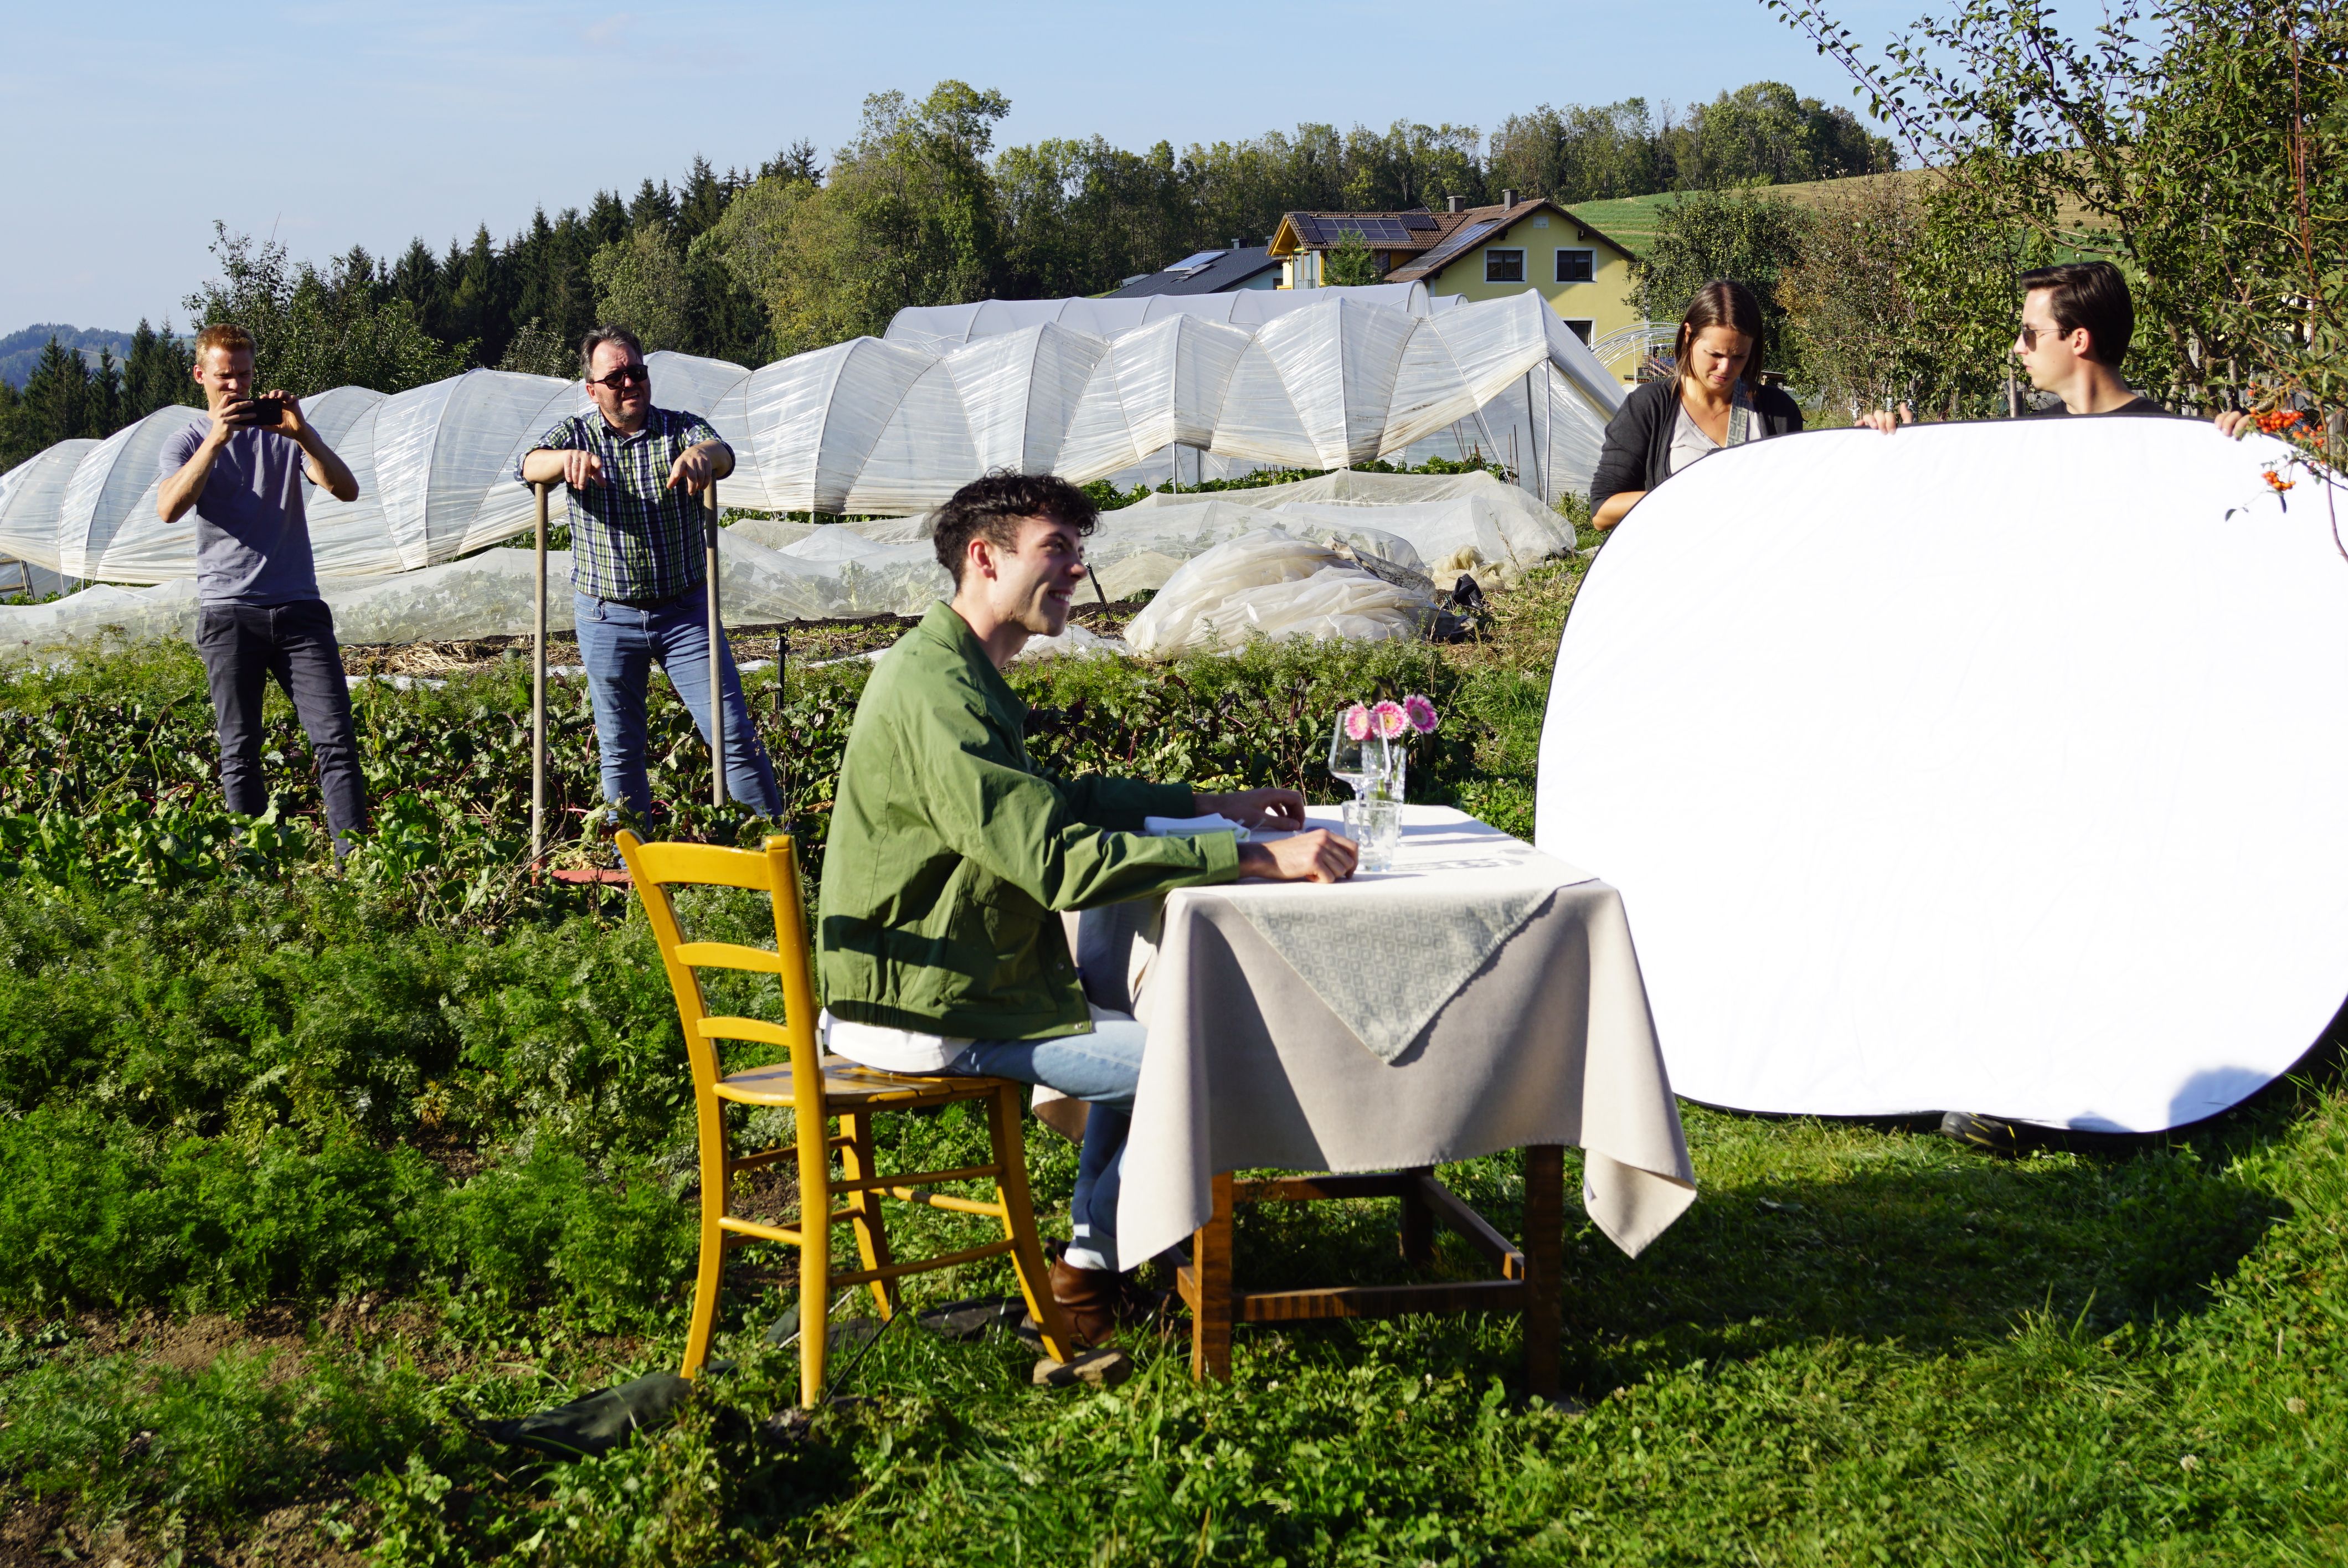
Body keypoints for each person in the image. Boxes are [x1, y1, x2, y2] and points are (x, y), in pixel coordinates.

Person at [815, 472, 1358, 1346]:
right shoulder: (937, 693)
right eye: (1056, 549)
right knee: (1195, 1065)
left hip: (960, 980)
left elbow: (1056, 803)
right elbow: (1054, 861)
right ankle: (1091, 1277)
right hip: (929, 1004)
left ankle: (1090, 1271)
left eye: (1079, 550)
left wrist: (1206, 804)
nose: (1076, 570)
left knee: (1152, 1039)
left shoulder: (956, 670)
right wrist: (1255, 857)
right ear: (985, 559)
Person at [516, 326, 782, 820]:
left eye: (636, 372)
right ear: (592, 390)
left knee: (731, 735)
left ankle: (772, 849)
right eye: (614, 378)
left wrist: (704, 456)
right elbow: (529, 465)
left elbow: (722, 453)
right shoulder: (576, 435)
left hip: (685, 615)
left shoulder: (679, 430)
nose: (629, 383)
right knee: (620, 750)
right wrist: (564, 461)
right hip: (606, 618)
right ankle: (633, 860)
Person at [157, 322, 369, 852]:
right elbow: (169, 508)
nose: (236, 387)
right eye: (224, 377)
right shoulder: (187, 440)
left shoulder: (280, 434)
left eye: (244, 375)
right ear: (200, 376)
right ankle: (256, 868)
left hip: (299, 609)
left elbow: (346, 489)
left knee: (336, 741)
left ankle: (356, 868)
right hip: (230, 613)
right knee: (240, 750)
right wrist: (216, 441)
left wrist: (302, 433)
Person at [1589, 281, 1883, 532]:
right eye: (1715, 354)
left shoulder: (1777, 411)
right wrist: (1685, 493)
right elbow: (1602, 512)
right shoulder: (1650, 407)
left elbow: (1806, 496)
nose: (1726, 368)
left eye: (1739, 356)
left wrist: (1868, 445)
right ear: (1688, 336)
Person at [2011, 261, 2175, 419]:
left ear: (2079, 341)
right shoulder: (2030, 433)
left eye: (2030, 333)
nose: (2018, 347)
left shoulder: (2165, 433)